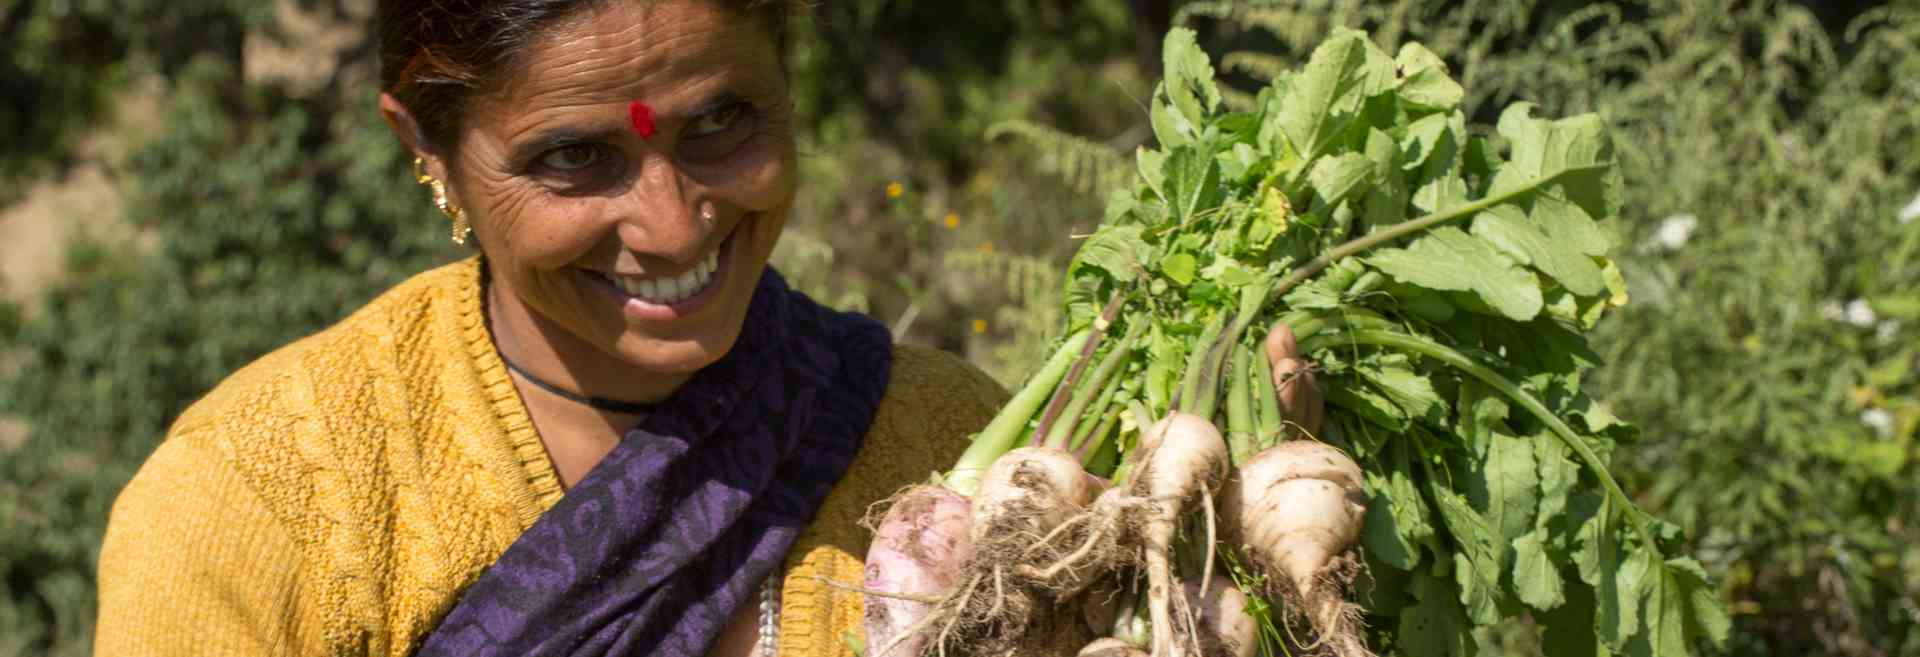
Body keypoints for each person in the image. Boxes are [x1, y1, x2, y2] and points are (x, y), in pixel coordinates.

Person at [92, 1, 1324, 655]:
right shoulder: (259, 503)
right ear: (431, 154)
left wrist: (1241, 567)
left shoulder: (955, 450)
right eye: (576, 159)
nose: (674, 226)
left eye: (722, 125)